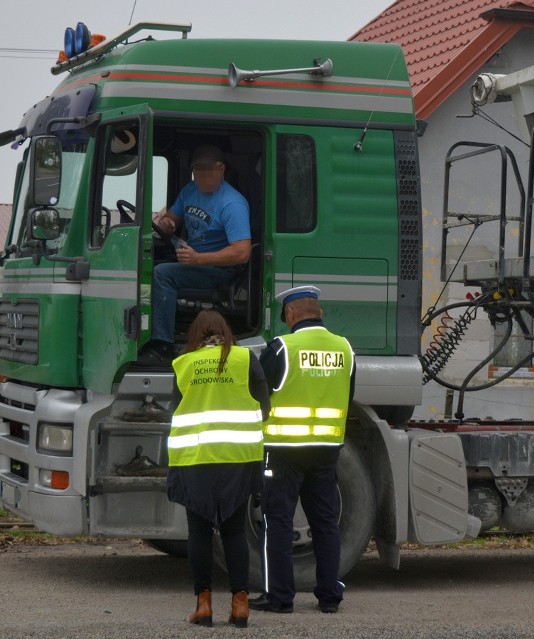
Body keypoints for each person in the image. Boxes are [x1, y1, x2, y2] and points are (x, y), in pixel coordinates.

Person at [249, 285, 355, 615]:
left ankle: (279, 598)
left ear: (291, 315)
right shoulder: (344, 349)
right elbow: (347, 397)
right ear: (319, 313)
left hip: (284, 450)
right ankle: (329, 597)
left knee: (277, 522)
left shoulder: (282, 347)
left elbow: (256, 391)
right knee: (325, 522)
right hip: (326, 450)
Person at [166, 310, 270, 628]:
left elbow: (175, 410)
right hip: (237, 457)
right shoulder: (245, 359)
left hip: (194, 458)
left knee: (198, 532)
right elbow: (265, 407)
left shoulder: (184, 364)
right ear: (227, 332)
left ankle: (204, 604)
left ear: (195, 335)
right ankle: (240, 605)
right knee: (234, 530)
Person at [138, 144, 252, 366]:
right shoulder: (190, 190)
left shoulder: (232, 203)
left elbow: (242, 252)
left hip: (219, 269)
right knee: (144, 263)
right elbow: (171, 217)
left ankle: (162, 345)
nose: (200, 177)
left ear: (221, 169)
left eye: (206, 171)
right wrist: (168, 223)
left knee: (162, 274)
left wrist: (199, 259)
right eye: (196, 171)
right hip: (193, 260)